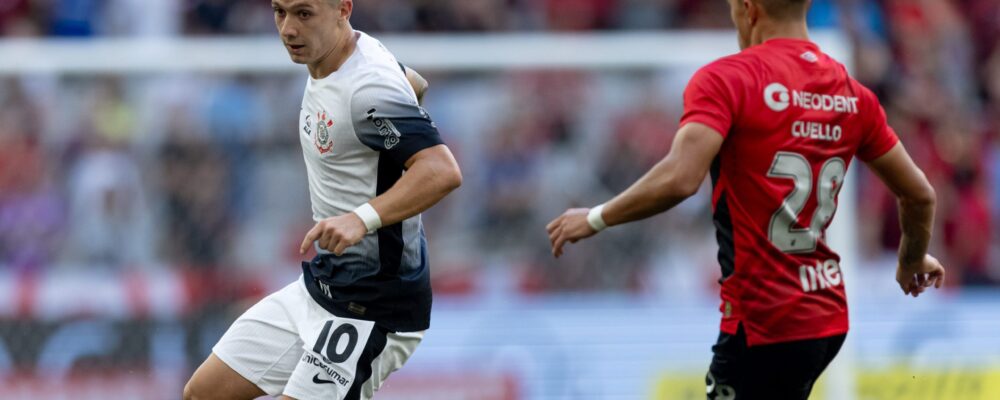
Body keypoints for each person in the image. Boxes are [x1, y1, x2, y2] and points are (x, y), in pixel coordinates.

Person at [545, 0, 945, 398]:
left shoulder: (728, 80)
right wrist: (911, 261)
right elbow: (919, 195)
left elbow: (681, 179)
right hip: (826, 317)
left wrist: (596, 217)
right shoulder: (852, 95)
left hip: (762, 323)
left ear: (749, 9)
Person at [184, 0, 462, 399]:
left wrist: (360, 218)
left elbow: (441, 170)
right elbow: (414, 83)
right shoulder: (339, 60)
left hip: (374, 306)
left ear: (343, 9)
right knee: (203, 393)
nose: (288, 29)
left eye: (304, 13)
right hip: (322, 286)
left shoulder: (367, 86)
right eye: (280, 12)